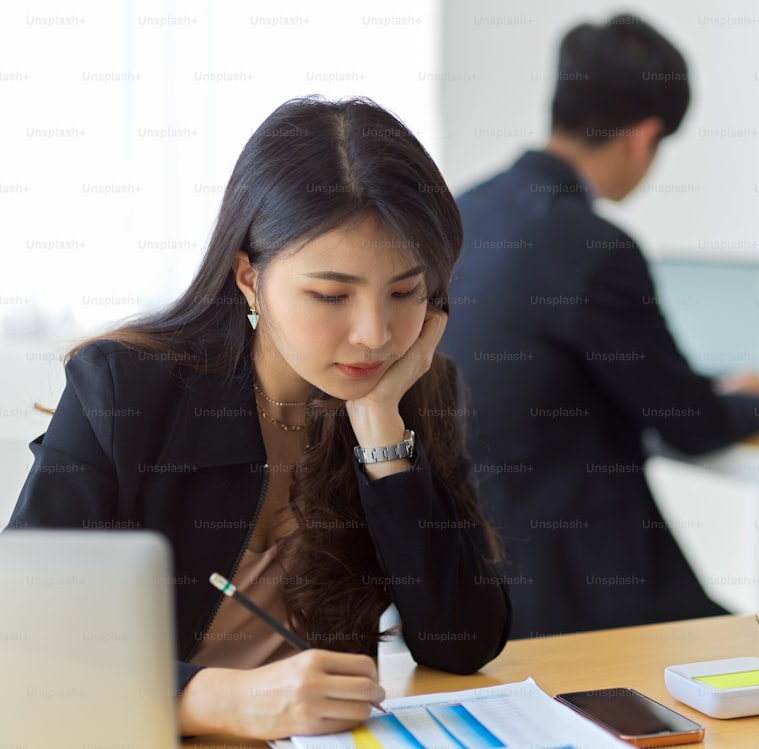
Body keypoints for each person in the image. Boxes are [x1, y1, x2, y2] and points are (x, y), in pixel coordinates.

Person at [8, 96, 511, 740]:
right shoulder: (124, 387)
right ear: (249, 276)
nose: (374, 334)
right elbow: (26, 640)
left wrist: (381, 426)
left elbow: (462, 642)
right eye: (331, 294)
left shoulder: (412, 388)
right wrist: (210, 700)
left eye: (405, 292)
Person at [439, 14, 759, 639]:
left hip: (463, 578)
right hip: (571, 590)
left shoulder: (461, 212)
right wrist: (754, 402)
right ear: (644, 137)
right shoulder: (596, 248)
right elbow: (692, 425)